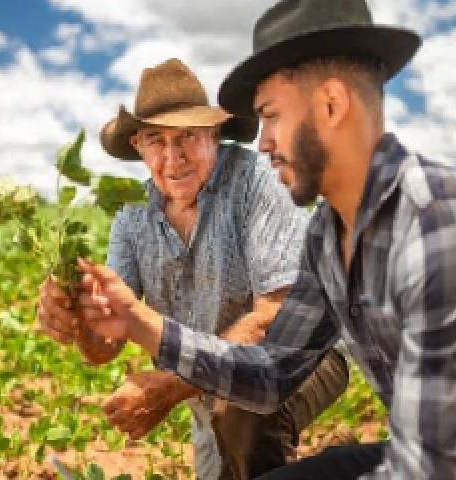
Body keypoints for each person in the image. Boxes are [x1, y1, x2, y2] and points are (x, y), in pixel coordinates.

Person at [69, 1, 456, 479]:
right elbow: (271, 371)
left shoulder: (439, 224)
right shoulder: (327, 233)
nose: (265, 142)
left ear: (332, 106)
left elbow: (436, 467)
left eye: (271, 116)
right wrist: (141, 324)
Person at [38, 58, 349, 480]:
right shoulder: (132, 216)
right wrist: (77, 317)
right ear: (137, 147)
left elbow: (273, 322)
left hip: (304, 356)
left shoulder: (255, 180)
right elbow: (103, 346)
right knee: (227, 452)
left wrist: (171, 386)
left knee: (242, 413)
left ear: (214, 135)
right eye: (155, 140)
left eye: (187, 136)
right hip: (206, 384)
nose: (173, 157)